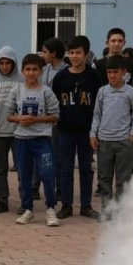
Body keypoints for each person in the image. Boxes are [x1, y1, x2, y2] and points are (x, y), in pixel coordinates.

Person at [50, 36, 103, 219]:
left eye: (78, 53)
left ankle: (86, 205)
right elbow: (54, 101)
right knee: (65, 169)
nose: (74, 56)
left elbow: (99, 104)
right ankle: (66, 205)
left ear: (86, 55)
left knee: (86, 169)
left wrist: (96, 129)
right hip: (65, 130)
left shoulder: (94, 77)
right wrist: (56, 119)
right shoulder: (61, 77)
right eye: (71, 52)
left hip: (87, 131)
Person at [8, 53, 60, 226]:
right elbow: (9, 115)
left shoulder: (46, 92)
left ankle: (51, 209)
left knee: (47, 173)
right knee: (24, 176)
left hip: (42, 140)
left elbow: (55, 116)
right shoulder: (16, 91)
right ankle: (28, 209)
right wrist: (20, 119)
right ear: (23, 71)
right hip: (22, 140)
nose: (31, 73)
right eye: (28, 69)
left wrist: (36, 120)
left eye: (35, 69)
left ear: (40, 71)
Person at [90, 56, 133, 217]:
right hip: (104, 142)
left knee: (123, 179)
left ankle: (121, 211)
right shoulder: (102, 91)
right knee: (104, 178)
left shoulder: (131, 92)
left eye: (116, 72)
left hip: (124, 142)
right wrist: (93, 133)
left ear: (124, 73)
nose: (112, 75)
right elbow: (97, 114)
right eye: (109, 72)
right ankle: (107, 210)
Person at [0, 46, 22, 214]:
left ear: (14, 63)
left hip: (19, 132)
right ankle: (2, 200)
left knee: (22, 167)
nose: (5, 66)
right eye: (2, 63)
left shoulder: (22, 80)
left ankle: (25, 199)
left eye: (8, 63)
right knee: (0, 168)